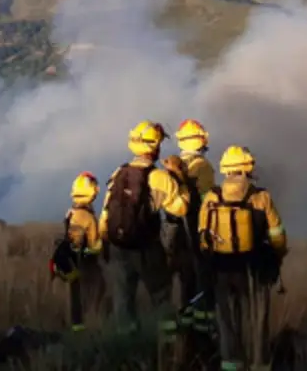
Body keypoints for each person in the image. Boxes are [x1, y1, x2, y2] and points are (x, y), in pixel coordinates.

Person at [98, 121, 189, 360]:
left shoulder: (118, 173)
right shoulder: (159, 177)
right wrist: (180, 178)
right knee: (161, 297)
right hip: (147, 249)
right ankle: (168, 350)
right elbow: (180, 209)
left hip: (118, 248)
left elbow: (106, 213)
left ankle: (127, 351)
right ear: (156, 146)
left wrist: (106, 244)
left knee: (123, 301)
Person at [197, 145, 287, 371]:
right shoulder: (261, 197)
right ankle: (259, 363)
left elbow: (202, 235)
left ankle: (231, 364)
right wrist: (277, 256)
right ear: (248, 167)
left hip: (222, 269)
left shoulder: (211, 197)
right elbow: (277, 234)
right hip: (254, 269)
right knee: (258, 321)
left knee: (228, 324)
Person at [173, 119, 217, 345]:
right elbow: (209, 203)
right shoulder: (203, 166)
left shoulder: (173, 165)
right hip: (196, 232)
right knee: (203, 283)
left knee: (185, 283)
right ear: (202, 139)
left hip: (175, 235)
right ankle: (202, 339)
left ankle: (184, 331)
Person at [56, 171, 104, 333]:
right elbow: (94, 245)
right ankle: (93, 326)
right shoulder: (87, 216)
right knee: (96, 292)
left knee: (75, 297)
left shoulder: (71, 212)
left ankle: (78, 328)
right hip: (85, 263)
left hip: (72, 262)